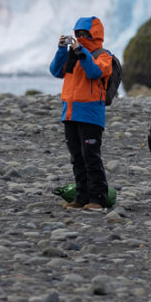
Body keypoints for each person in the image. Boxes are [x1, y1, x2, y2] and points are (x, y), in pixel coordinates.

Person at [49, 16, 115, 211]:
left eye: (85, 34)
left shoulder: (103, 56)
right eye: (78, 34)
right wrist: (62, 49)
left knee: (91, 158)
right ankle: (81, 197)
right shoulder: (74, 55)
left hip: (91, 115)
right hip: (70, 113)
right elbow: (56, 71)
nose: (81, 37)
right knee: (77, 158)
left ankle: (98, 199)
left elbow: (94, 73)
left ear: (95, 35)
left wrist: (81, 51)